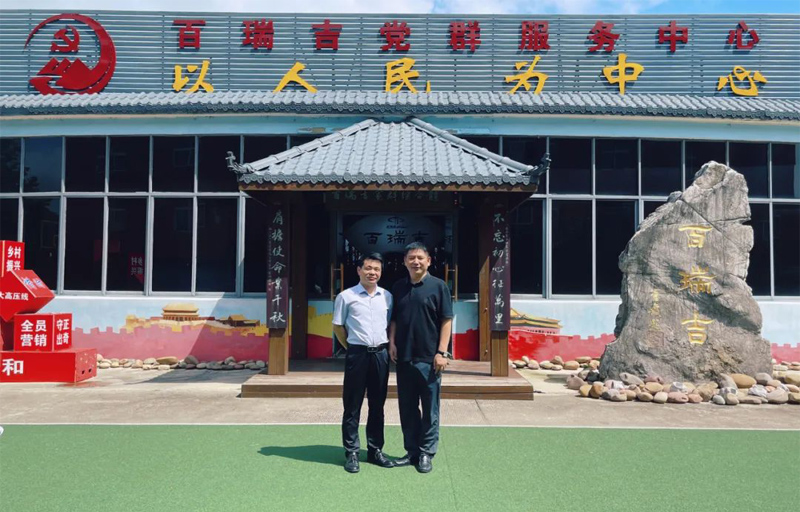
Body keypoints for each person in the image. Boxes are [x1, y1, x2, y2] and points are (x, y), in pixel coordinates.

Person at [389, 242, 453, 474]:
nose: (415, 261)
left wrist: (442, 352)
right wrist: (392, 342)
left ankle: (426, 452)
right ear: (405, 261)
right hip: (404, 357)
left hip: (429, 358)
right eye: (411, 258)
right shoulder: (398, 287)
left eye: (420, 258)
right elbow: (394, 318)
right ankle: (412, 452)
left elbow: (447, 319)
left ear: (428, 261)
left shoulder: (439, 286)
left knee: (430, 408)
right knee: (407, 407)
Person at [333, 252, 395, 474]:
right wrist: (351, 347)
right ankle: (351, 452)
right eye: (368, 268)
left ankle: (375, 450)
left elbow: (389, 323)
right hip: (357, 354)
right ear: (359, 270)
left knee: (377, 405)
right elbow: (338, 326)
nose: (372, 273)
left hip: (380, 355)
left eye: (377, 269)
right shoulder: (346, 296)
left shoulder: (387, 296)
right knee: (352, 405)